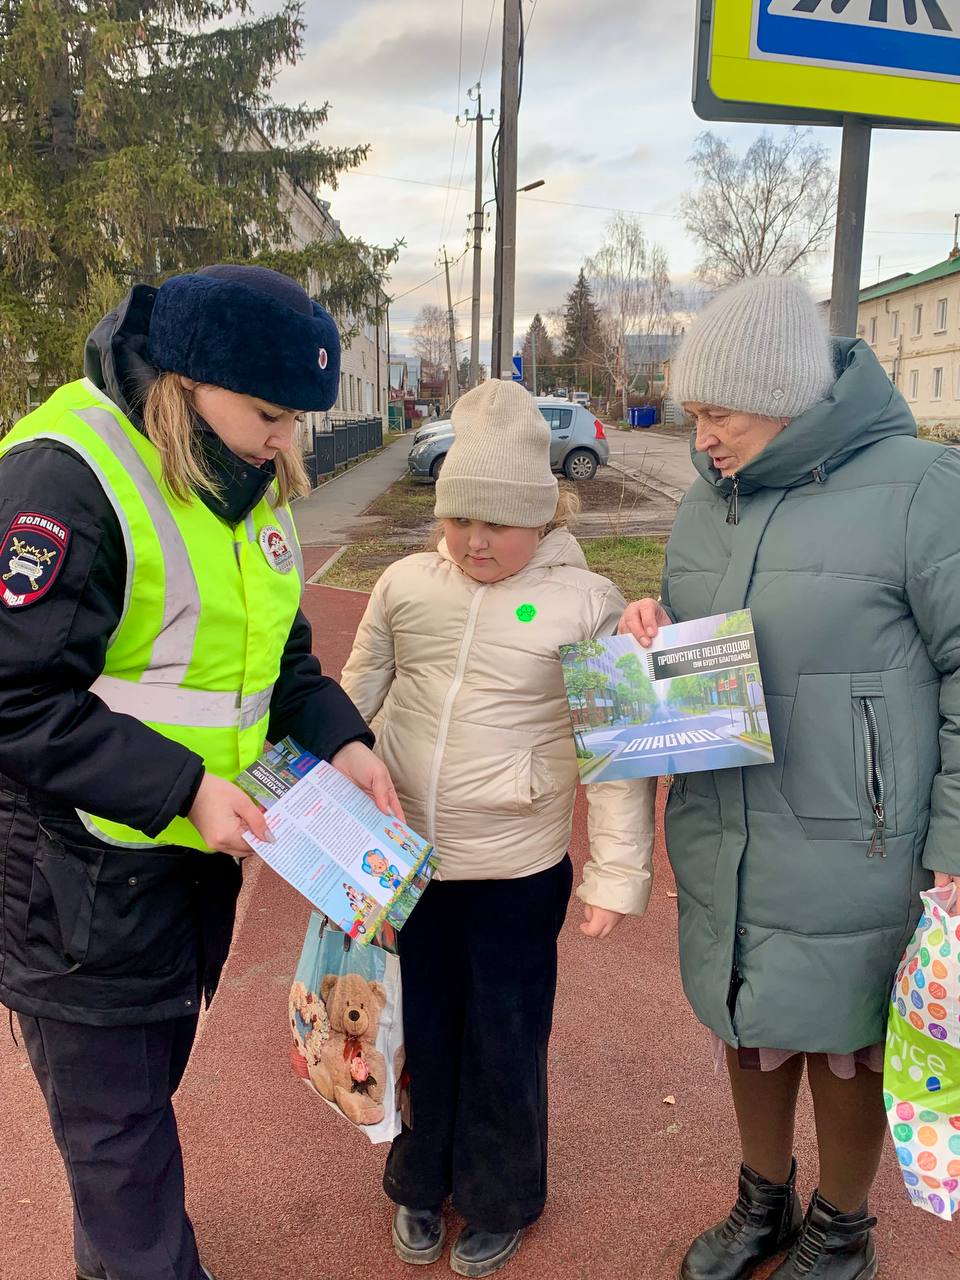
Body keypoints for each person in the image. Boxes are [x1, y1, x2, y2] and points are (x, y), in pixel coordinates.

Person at [0, 264, 401, 1280]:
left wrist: (344, 741)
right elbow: (14, 696)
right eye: (270, 415)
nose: (286, 442)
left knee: (134, 1116)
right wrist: (180, 787)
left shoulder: (244, 482)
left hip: (188, 871)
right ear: (188, 381)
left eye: (298, 420)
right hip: (76, 881)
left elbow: (280, 663)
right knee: (120, 1146)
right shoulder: (68, 476)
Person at [620, 276, 960, 1280]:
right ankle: (762, 1200)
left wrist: (954, 843)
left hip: (864, 838)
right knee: (749, 1013)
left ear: (781, 394)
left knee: (849, 1035)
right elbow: (702, 646)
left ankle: (842, 1225)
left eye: (716, 414)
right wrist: (653, 633)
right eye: (692, 414)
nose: (701, 438)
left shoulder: (921, 486)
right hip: (728, 820)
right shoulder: (706, 501)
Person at [340, 379, 655, 1278]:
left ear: (544, 514)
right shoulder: (404, 584)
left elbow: (616, 755)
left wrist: (616, 875)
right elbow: (352, 701)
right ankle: (418, 1181)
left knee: (504, 1040)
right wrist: (314, 812)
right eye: (459, 519)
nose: (475, 541)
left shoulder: (588, 603)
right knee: (418, 1028)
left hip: (517, 869)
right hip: (407, 862)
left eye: (498, 523)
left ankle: (499, 1196)